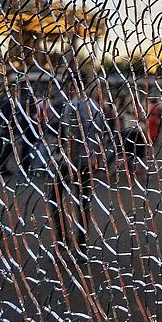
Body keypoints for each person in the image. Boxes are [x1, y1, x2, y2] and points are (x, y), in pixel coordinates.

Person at [49, 83, 106, 259]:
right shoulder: (96, 106)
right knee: (83, 202)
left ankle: (62, 242)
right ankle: (81, 246)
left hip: (72, 161)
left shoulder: (72, 105)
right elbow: (100, 135)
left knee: (54, 197)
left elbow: (73, 133)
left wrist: (71, 162)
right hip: (88, 161)